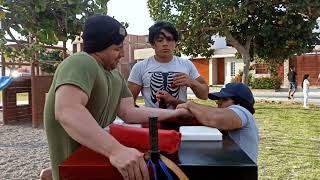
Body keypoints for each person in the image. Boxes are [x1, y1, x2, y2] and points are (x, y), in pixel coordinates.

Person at [42, 15, 191, 180]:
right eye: (117, 48)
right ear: (99, 46)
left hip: (97, 161)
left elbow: (128, 112)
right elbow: (67, 111)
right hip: (75, 168)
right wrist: (116, 150)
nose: (122, 54)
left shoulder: (115, 75)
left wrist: (175, 113)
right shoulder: (81, 62)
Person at [128, 21, 208, 109]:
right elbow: (129, 102)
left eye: (169, 39)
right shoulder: (140, 67)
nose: (165, 44)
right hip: (153, 120)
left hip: (181, 120)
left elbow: (204, 95)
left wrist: (192, 82)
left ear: (175, 43)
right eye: (160, 40)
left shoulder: (187, 64)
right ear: (152, 44)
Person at [176, 83, 259, 163]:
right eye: (219, 99)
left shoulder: (241, 111)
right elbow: (202, 115)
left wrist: (190, 105)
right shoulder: (233, 118)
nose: (218, 102)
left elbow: (212, 118)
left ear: (239, 103)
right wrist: (173, 101)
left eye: (224, 99)